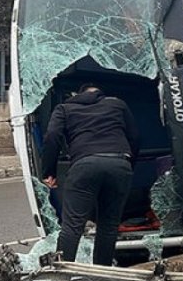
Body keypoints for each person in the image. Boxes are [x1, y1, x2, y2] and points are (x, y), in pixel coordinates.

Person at [42, 83, 139, 266]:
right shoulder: (117, 104)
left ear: (78, 94)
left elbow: (52, 136)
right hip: (119, 163)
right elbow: (134, 137)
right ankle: (102, 274)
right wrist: (126, 165)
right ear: (100, 93)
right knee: (108, 226)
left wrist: (49, 172)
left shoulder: (64, 108)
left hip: (84, 165)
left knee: (72, 226)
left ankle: (63, 272)